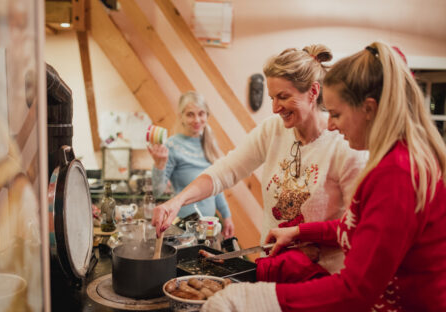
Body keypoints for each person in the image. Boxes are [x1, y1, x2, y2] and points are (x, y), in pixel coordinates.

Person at [201, 41, 446, 311]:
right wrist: (300, 231)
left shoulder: (397, 173)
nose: (332, 124)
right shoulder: (392, 161)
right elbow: (359, 227)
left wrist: (260, 299)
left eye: (336, 113)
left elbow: (355, 290)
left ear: (369, 110)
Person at [152, 45, 367, 279]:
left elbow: (357, 227)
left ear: (313, 91)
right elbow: (226, 170)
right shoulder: (272, 130)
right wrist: (177, 200)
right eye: (273, 98)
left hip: (322, 277)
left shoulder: (344, 144)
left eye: (283, 97)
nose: (275, 108)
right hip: (272, 268)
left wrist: (307, 240)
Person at [147, 91, 235, 238]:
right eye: (190, 114)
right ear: (181, 117)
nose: (197, 119)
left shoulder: (210, 144)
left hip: (209, 228)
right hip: (184, 230)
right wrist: (159, 165)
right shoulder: (171, 146)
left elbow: (216, 186)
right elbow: (158, 191)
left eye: (201, 113)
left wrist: (227, 216)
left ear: (207, 115)